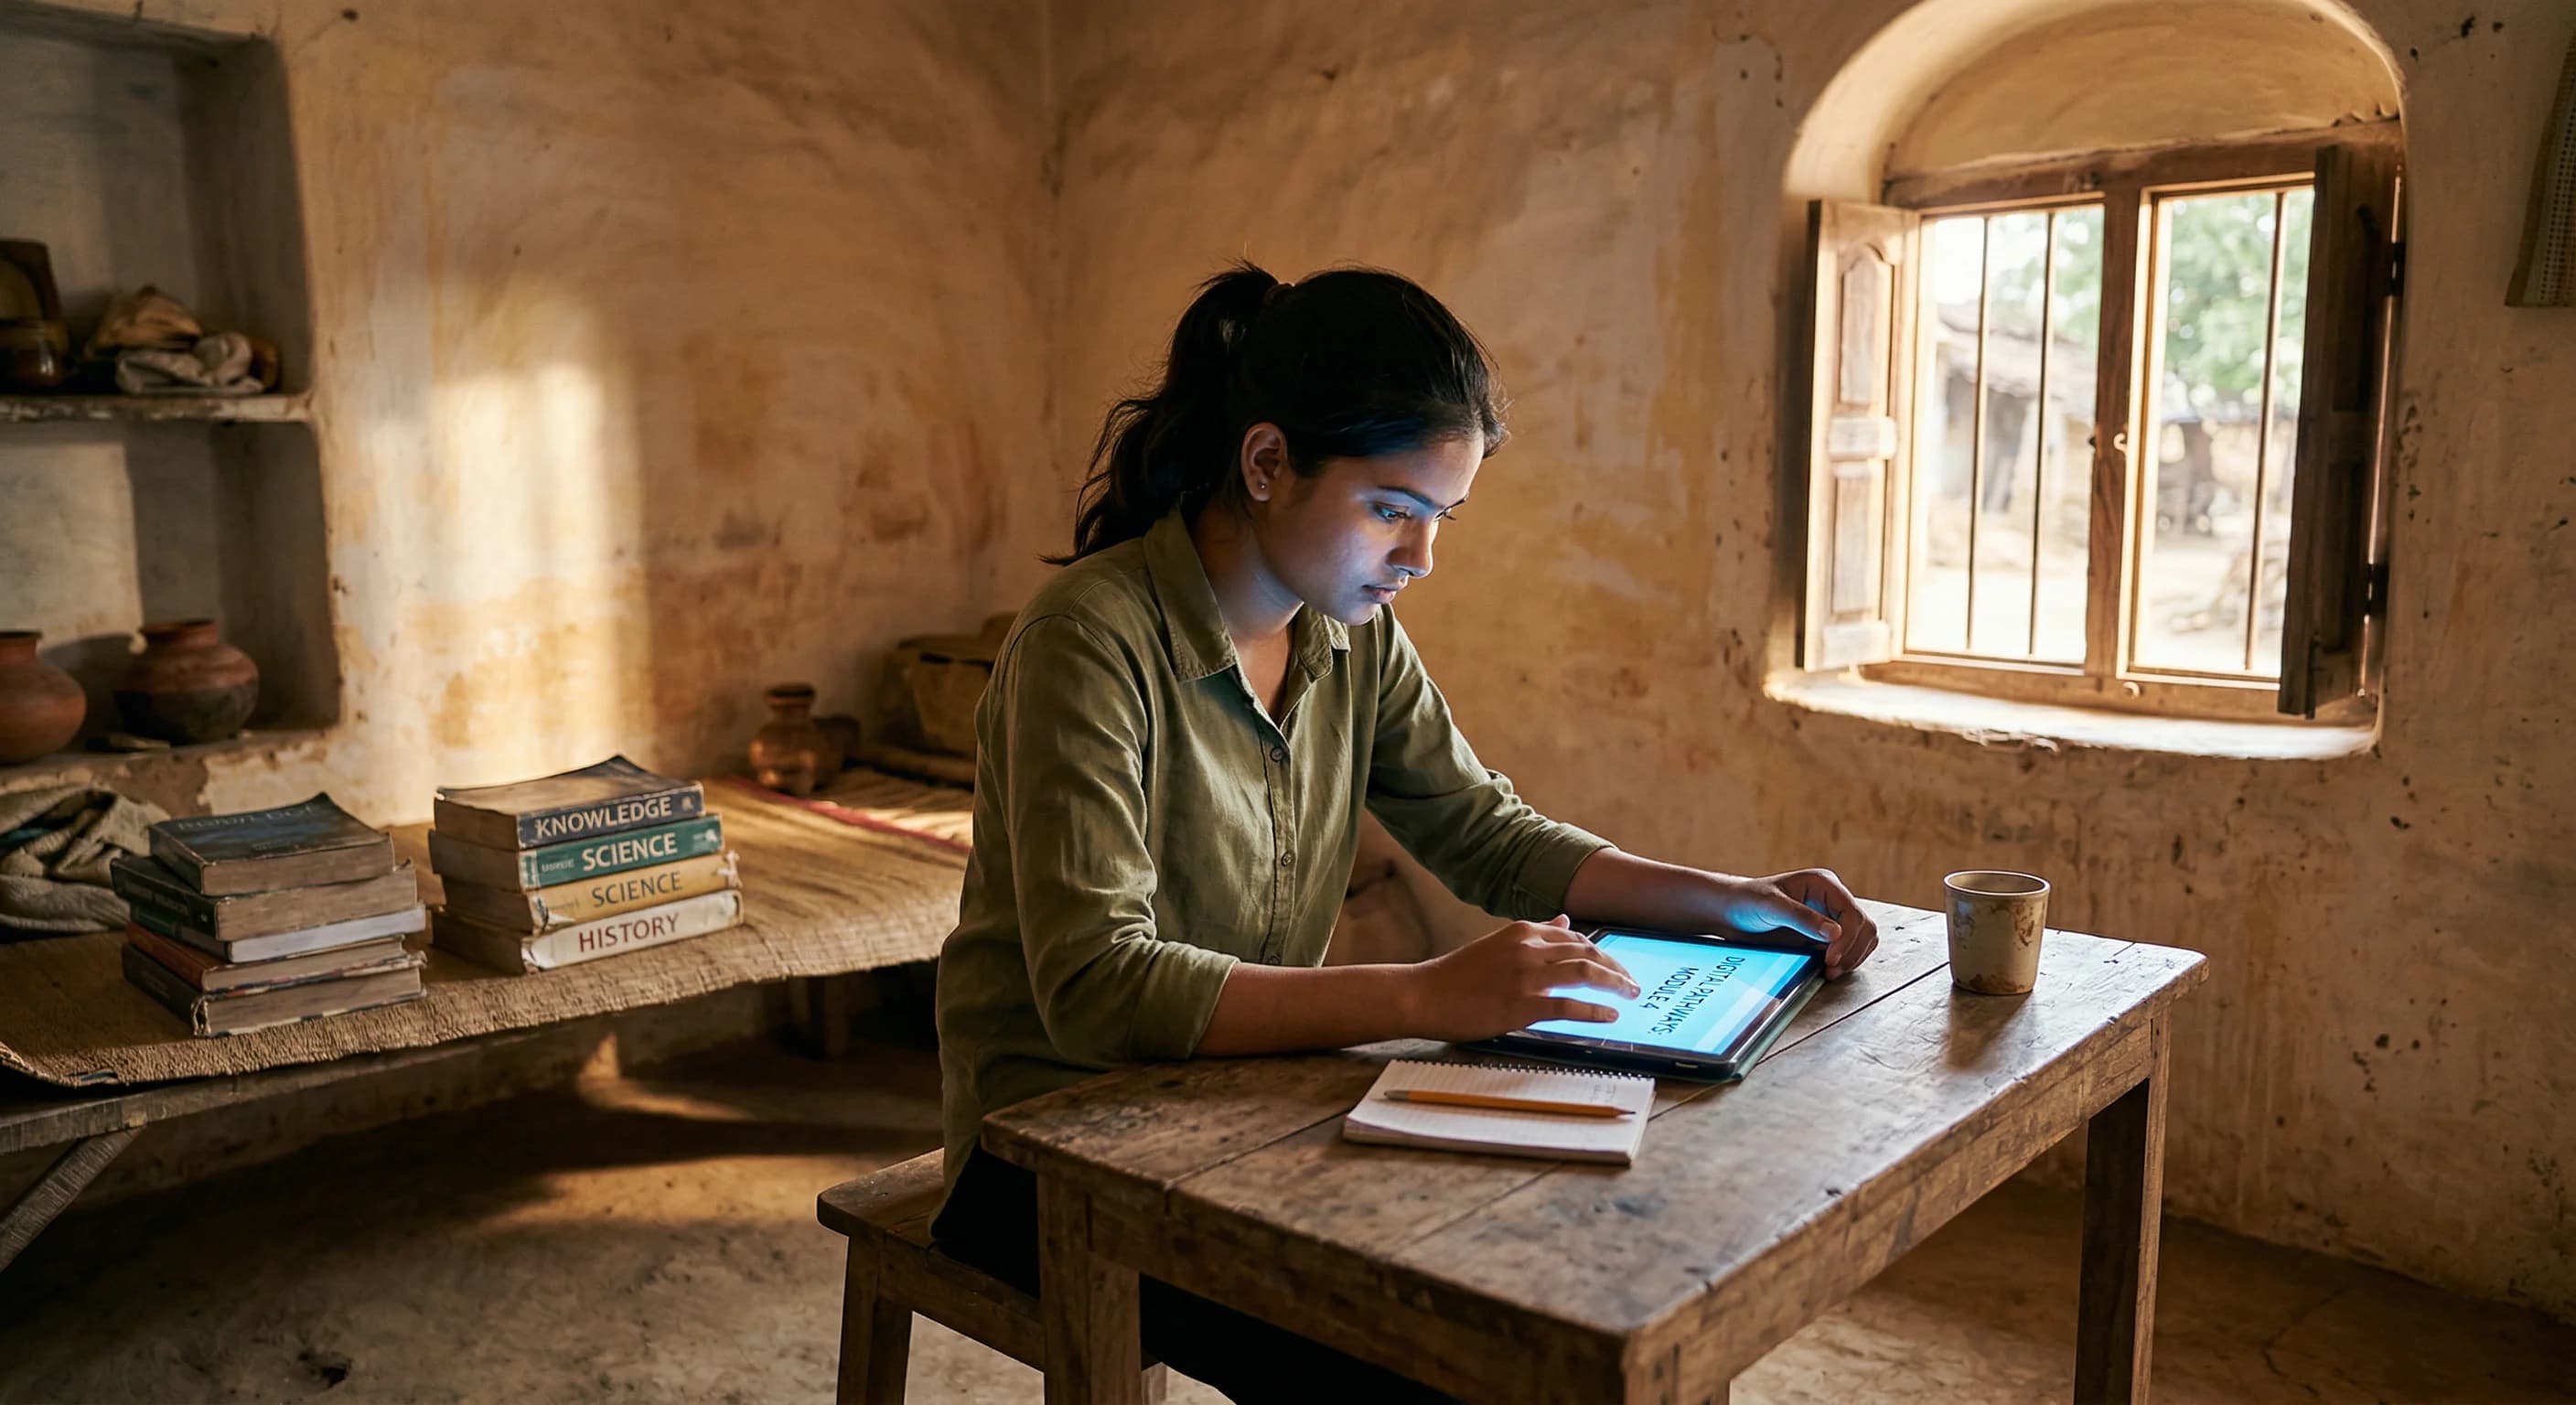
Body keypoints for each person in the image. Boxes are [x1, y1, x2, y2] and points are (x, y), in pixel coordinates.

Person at [929, 262, 1881, 1402]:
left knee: (1544, 1300)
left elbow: (1480, 826)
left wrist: (1725, 899)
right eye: (1390, 508)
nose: (1419, 557)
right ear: (1268, 463)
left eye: (1440, 520)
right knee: (1418, 1362)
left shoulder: (1347, 638)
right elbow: (1097, 983)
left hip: (1241, 1106)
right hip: (1045, 1150)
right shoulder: (1090, 640)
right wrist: (1425, 996)